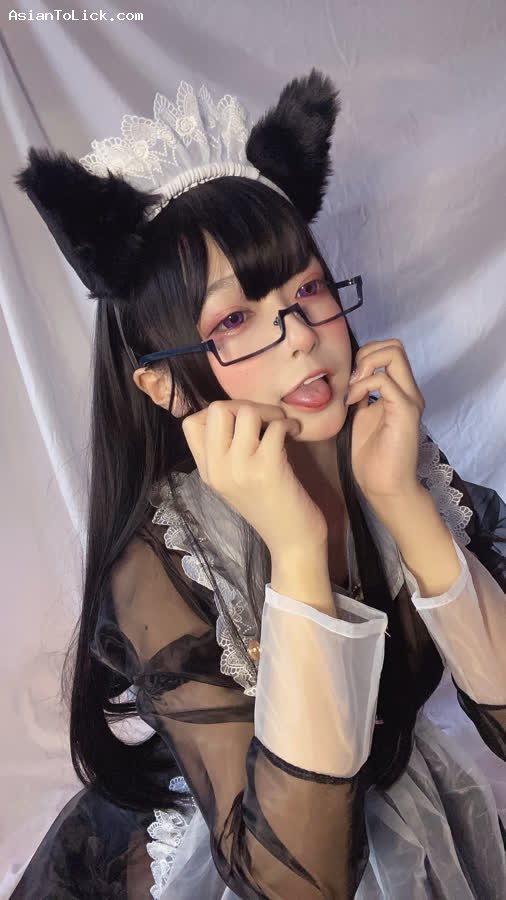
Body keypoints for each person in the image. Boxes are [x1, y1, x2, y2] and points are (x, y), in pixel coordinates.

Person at [12, 70, 506, 899]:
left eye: (308, 289)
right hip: (250, 848)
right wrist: (298, 552)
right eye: (235, 320)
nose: (303, 336)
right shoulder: (165, 558)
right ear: (164, 386)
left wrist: (404, 504)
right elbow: (294, 884)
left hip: (409, 816)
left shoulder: (388, 452)